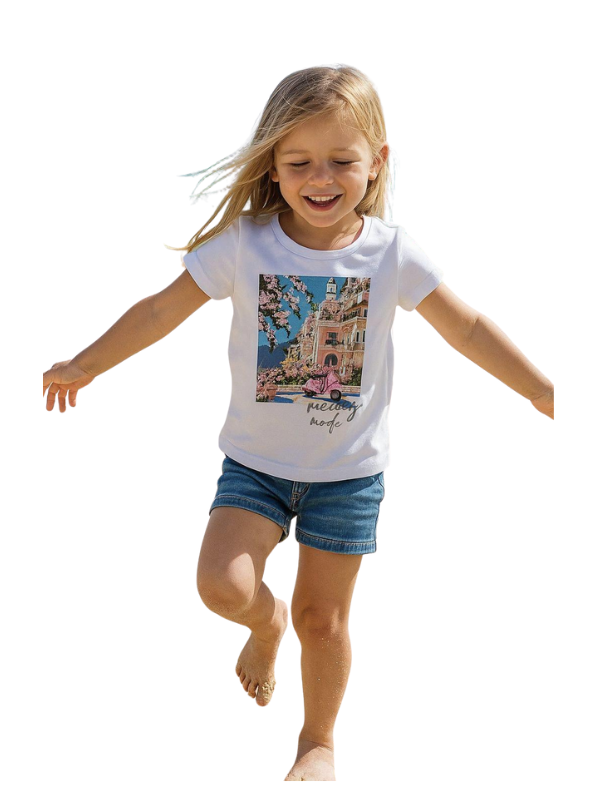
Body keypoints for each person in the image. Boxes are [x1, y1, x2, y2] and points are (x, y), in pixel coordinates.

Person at [42, 64, 555, 781]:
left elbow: (466, 327)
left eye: (342, 160)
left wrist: (543, 391)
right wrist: (87, 363)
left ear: (376, 162)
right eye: (299, 162)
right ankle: (266, 622)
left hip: (348, 476)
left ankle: (317, 743)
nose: (321, 178)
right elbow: (160, 310)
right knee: (222, 586)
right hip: (255, 466)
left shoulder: (391, 253)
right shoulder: (246, 244)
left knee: (326, 619)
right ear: (273, 166)